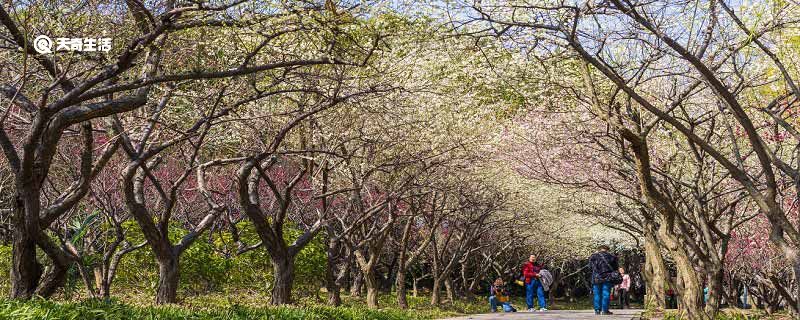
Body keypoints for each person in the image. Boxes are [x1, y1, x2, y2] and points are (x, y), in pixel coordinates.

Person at [590, 245, 619, 315]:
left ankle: (597, 310)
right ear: (607, 250)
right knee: (606, 293)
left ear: (599, 249)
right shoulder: (612, 257)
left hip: (596, 277)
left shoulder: (593, 256)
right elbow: (615, 268)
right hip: (607, 277)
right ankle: (605, 310)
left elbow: (590, 267)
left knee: (597, 294)